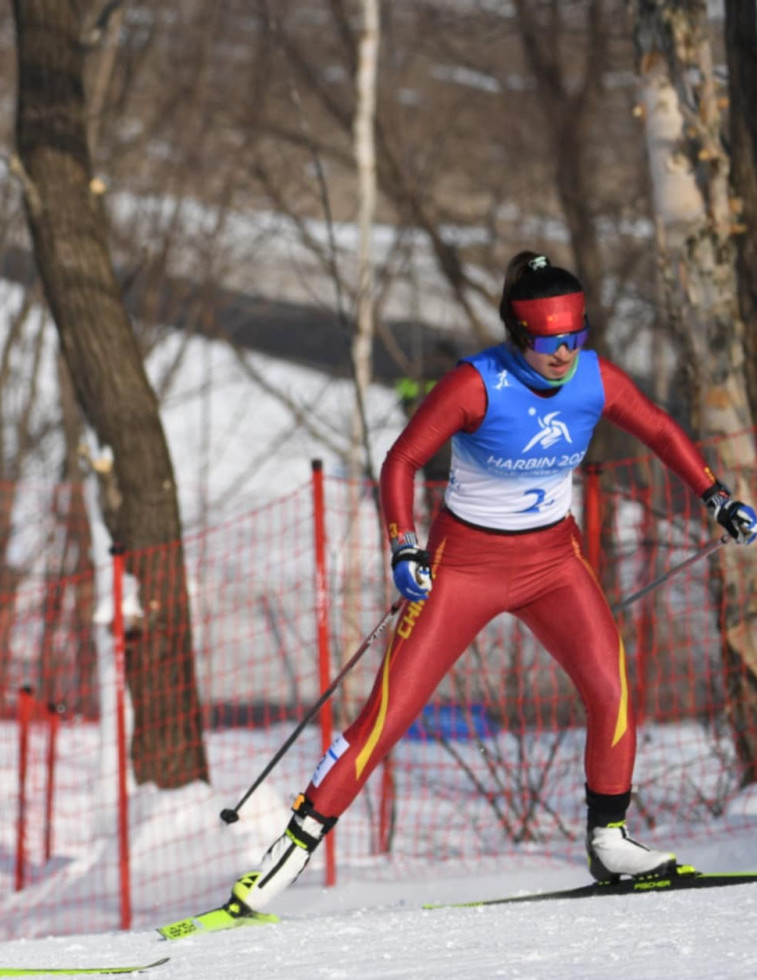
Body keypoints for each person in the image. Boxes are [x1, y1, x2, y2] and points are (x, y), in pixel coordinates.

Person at [222, 251, 757, 919]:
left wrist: (715, 497)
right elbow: (401, 460)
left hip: (551, 565)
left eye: (573, 338)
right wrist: (402, 546)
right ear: (517, 332)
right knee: (388, 713)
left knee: (610, 685)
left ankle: (609, 839)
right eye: (546, 341)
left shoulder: (594, 378)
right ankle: (291, 849)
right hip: (461, 569)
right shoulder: (474, 384)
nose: (562, 354)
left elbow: (657, 429)